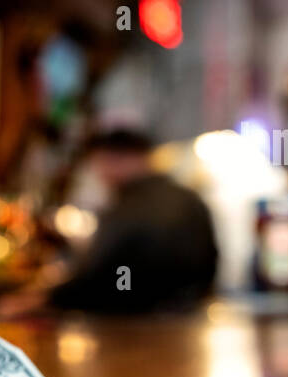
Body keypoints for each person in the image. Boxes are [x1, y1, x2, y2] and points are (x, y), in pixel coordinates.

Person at [47, 129, 217, 312]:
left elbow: (104, 275)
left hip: (131, 319)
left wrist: (50, 298)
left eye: (101, 162)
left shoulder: (127, 206)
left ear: (119, 158)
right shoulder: (189, 198)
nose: (100, 173)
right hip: (187, 316)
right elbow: (210, 260)